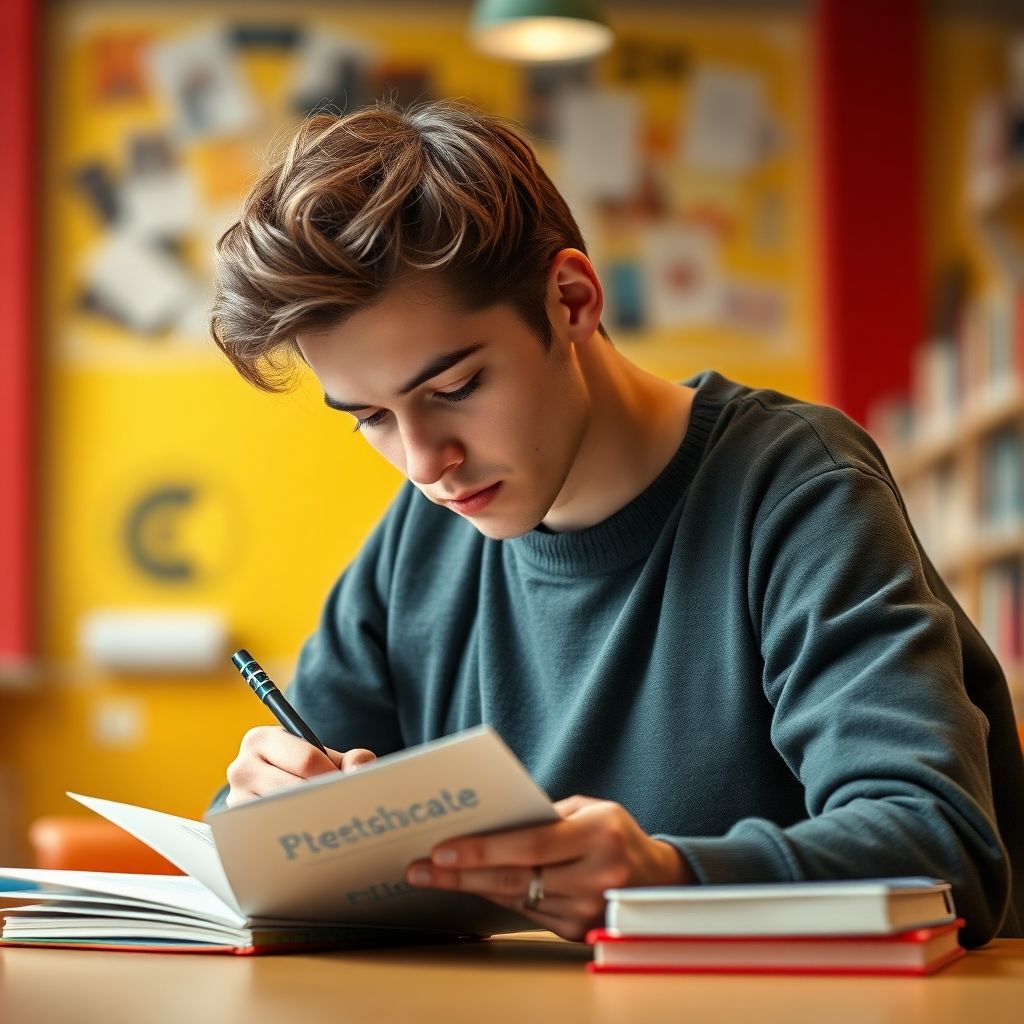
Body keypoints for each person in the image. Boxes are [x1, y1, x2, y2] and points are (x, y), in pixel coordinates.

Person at [209, 100, 1023, 946]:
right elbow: (273, 822)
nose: (424, 463)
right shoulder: (422, 537)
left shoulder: (795, 486)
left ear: (570, 299)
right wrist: (262, 799)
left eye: (452, 389)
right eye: (371, 417)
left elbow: (942, 850)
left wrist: (670, 881)